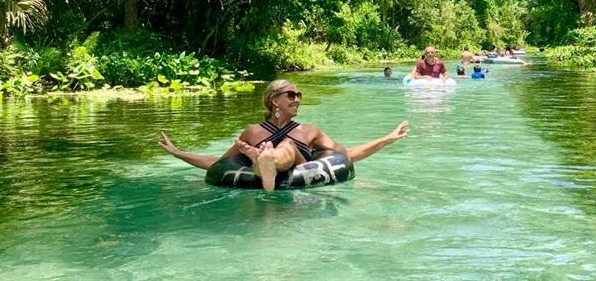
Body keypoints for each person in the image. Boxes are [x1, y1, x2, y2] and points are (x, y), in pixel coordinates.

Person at [159, 79, 409, 192]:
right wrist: (178, 153)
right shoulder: (252, 131)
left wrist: (387, 138)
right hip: (261, 173)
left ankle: (266, 159)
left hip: (297, 164)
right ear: (273, 101)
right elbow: (219, 164)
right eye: (291, 95)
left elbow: (347, 155)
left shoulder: (309, 131)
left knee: (286, 146)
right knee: (267, 150)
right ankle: (262, 162)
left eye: (299, 95)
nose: (297, 99)